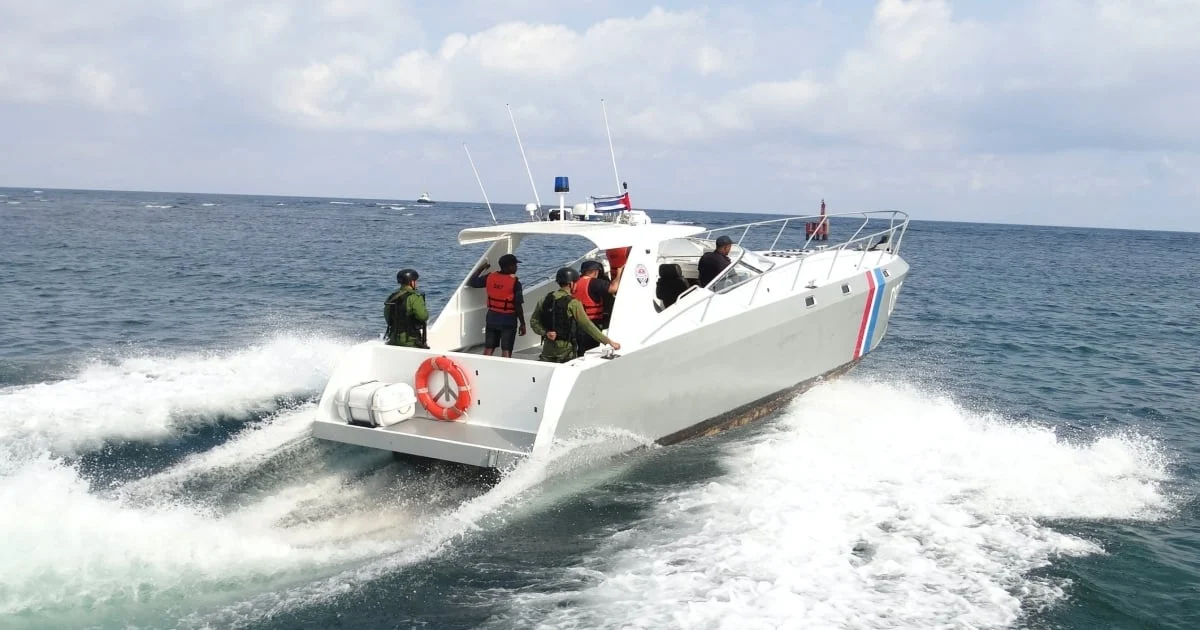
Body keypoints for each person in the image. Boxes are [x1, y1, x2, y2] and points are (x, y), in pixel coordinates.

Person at [530, 267, 621, 362]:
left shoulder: (544, 299)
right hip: (566, 351)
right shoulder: (573, 303)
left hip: (547, 350)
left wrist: (545, 333)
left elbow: (534, 322)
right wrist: (609, 342)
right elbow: (587, 325)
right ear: (571, 284)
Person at [467, 253, 526, 358]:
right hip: (508, 319)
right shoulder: (515, 282)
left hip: (492, 317)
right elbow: (518, 305)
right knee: (506, 348)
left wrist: (482, 267)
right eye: (515, 265)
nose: (516, 267)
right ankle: (505, 369)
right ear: (509, 266)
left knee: (489, 347)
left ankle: (483, 366)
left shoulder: (490, 277)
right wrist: (522, 323)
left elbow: (472, 282)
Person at [573, 260, 623, 353]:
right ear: (596, 271)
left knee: (579, 347)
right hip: (591, 323)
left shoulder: (574, 283)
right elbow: (613, 288)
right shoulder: (594, 283)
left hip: (575, 323)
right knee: (589, 349)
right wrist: (619, 273)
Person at [384, 268, 428, 348]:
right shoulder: (414, 297)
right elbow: (423, 316)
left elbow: (388, 319)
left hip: (393, 339)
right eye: (415, 281)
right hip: (410, 341)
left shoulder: (391, 297)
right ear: (411, 282)